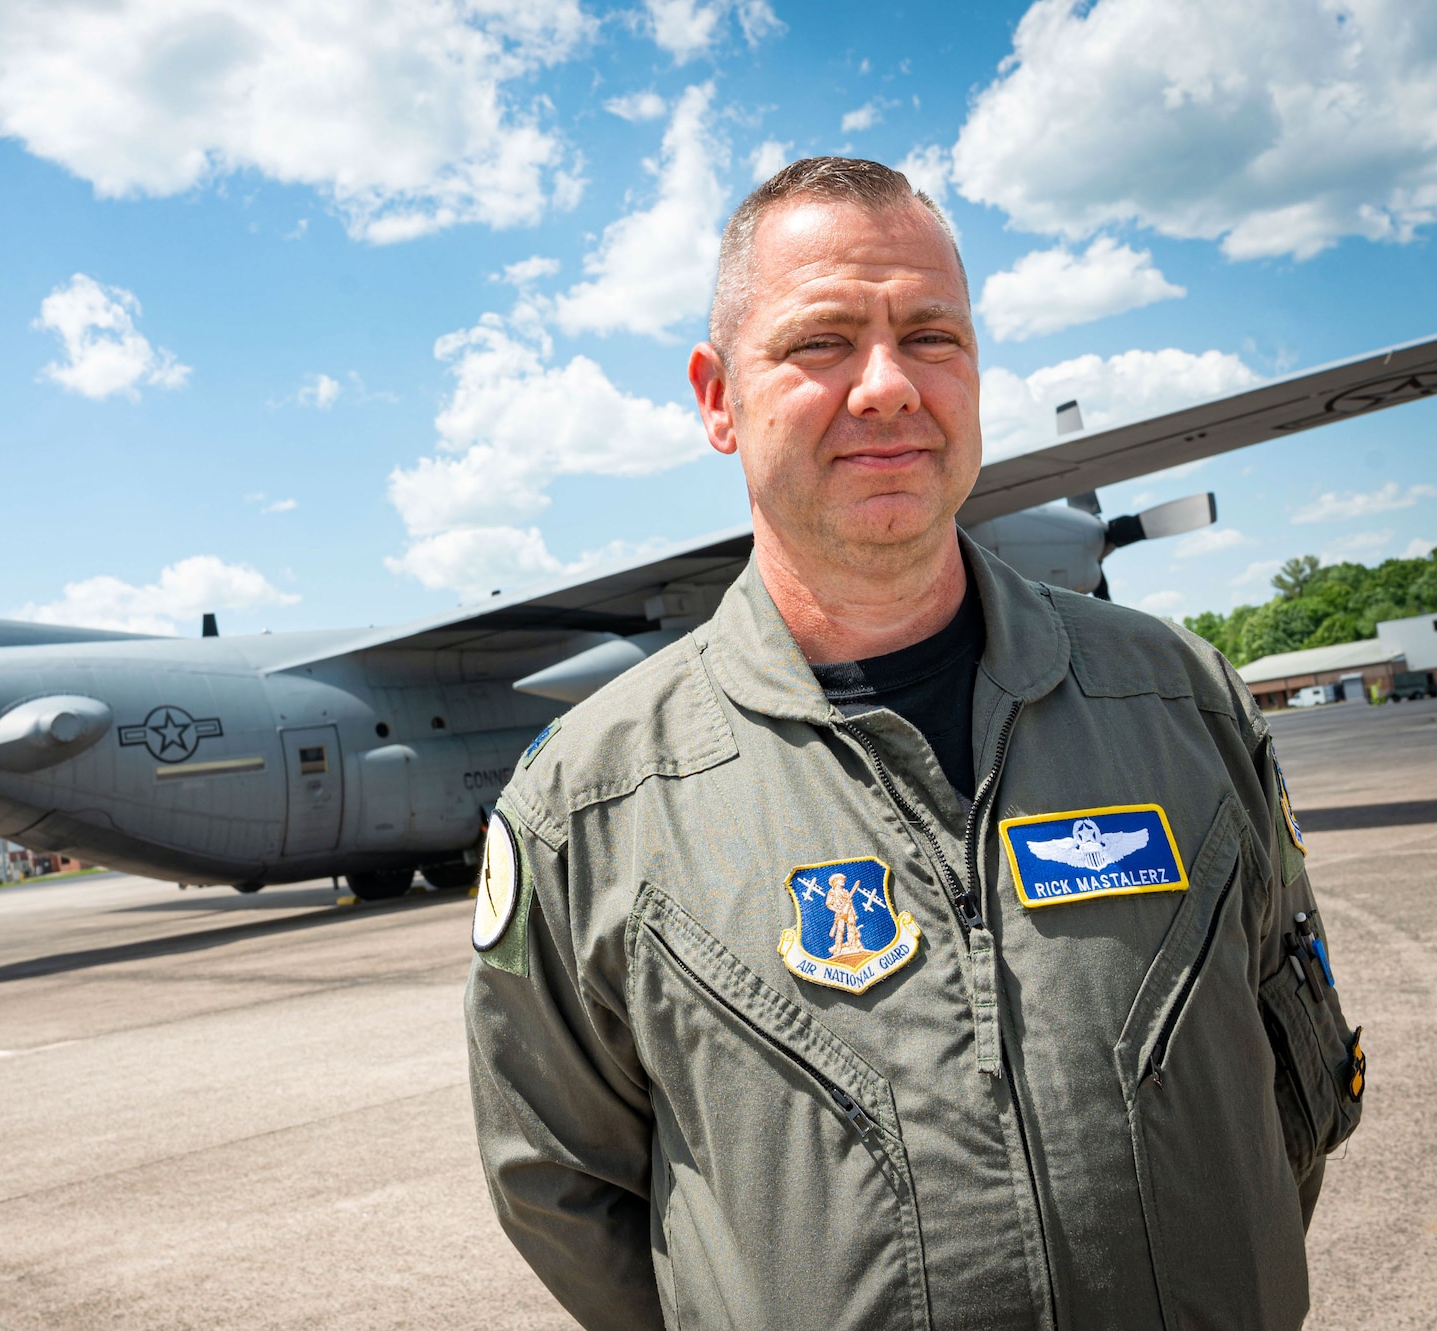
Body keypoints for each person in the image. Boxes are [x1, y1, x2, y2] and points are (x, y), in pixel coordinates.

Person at [463, 157, 1363, 1331]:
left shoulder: (1178, 699)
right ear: (715, 397)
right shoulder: (589, 802)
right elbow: (558, 1183)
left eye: (929, 334)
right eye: (820, 342)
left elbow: (1289, 1081)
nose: (885, 386)